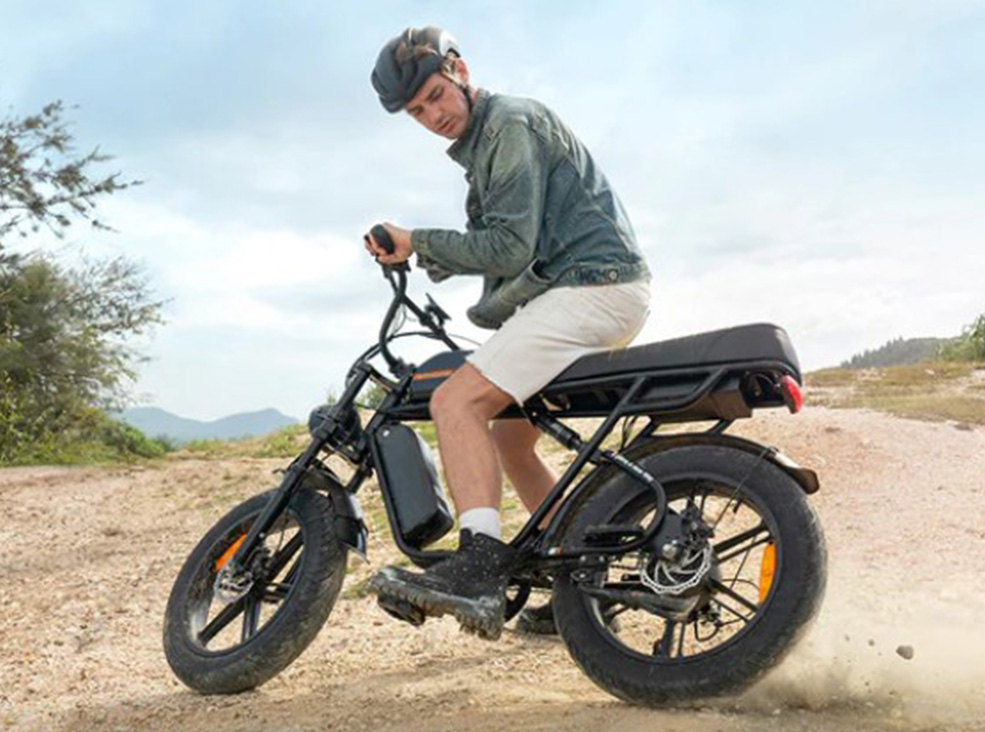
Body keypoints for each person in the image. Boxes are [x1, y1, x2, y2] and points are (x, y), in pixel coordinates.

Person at [364, 26, 651, 640]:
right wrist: (423, 255)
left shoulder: (509, 126)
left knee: (455, 400)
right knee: (509, 438)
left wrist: (417, 240)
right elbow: (506, 251)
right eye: (417, 112)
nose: (433, 116)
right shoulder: (486, 144)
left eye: (437, 95)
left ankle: (478, 568)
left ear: (459, 69)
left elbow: (508, 245)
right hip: (586, 291)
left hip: (592, 288)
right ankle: (583, 582)